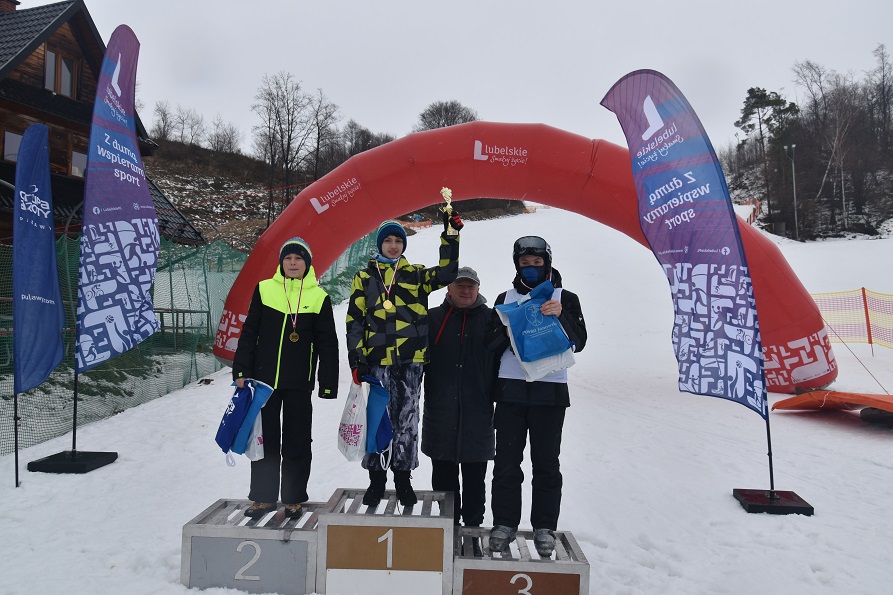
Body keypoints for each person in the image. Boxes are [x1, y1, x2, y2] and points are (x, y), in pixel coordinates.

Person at [346, 213, 463, 507]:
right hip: (376, 363)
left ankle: (402, 477)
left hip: (410, 362)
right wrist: (356, 359)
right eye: (388, 240)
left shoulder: (416, 275)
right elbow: (355, 321)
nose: (394, 245)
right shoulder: (364, 277)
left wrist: (450, 236)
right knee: (378, 420)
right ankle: (376, 478)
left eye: (399, 240)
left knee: (407, 421)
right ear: (379, 243)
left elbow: (448, 273)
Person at [486, 236, 587, 557]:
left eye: (536, 263)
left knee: (546, 463)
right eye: (524, 264)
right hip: (511, 390)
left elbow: (580, 341)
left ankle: (544, 527)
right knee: (505, 464)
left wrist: (562, 317)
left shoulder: (565, 297)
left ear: (547, 263)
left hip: (550, 392)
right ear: (517, 264)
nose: (530, 269)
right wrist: (507, 328)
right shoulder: (506, 297)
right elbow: (488, 347)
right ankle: (504, 523)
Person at [232, 237, 339, 518]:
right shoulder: (265, 290)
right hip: (264, 382)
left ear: (308, 264)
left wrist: (327, 382)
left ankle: (293, 497)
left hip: (298, 383)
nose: (293, 263)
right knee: (265, 439)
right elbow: (249, 332)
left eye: (299, 259)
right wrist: (242, 370)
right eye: (288, 258)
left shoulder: (319, 296)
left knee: (298, 440)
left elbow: (328, 342)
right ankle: (263, 497)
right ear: (281, 263)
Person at [422, 266, 496, 545]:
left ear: (478, 289)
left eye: (471, 286)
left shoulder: (491, 319)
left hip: (478, 413)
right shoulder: (432, 318)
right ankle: (447, 531)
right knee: (443, 477)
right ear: (449, 289)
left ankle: (473, 532)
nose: (466, 291)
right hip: (440, 412)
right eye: (460, 286)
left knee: (476, 479)